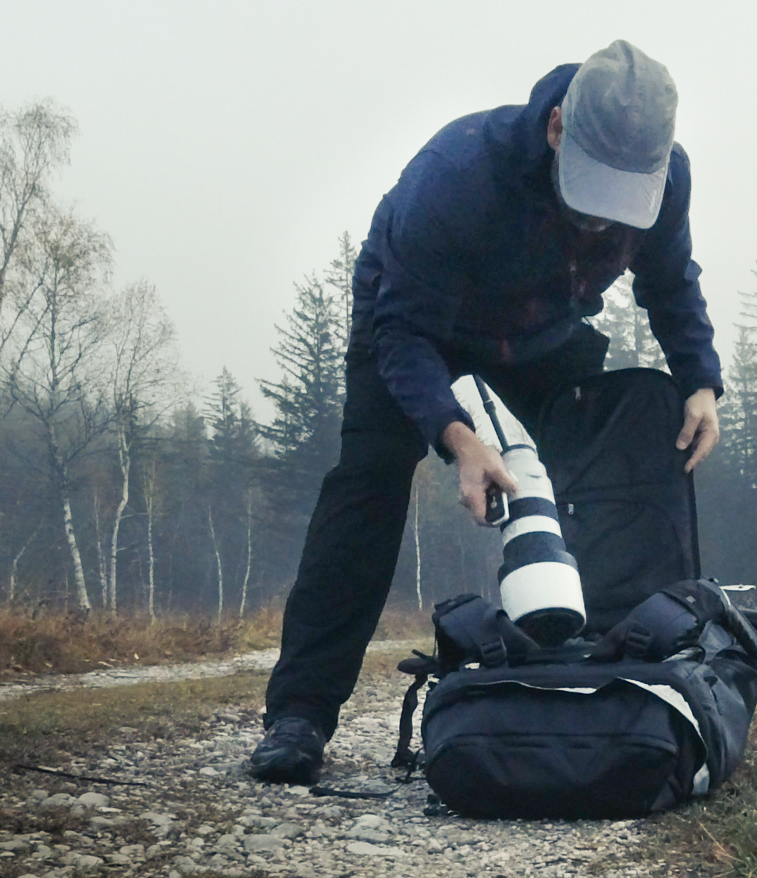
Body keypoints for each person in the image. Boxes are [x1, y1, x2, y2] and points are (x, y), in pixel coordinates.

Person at [249, 40, 724, 785]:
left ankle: (590, 677)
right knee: (368, 486)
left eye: (618, 207)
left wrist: (699, 381)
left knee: (585, 476)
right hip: (412, 327)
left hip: (539, 334)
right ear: (557, 127)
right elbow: (402, 333)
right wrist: (458, 437)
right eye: (590, 197)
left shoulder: (669, 178)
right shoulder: (458, 174)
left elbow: (670, 281)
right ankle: (299, 713)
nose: (600, 225)